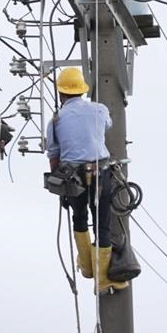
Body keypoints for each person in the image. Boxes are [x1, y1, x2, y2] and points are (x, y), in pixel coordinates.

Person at [46, 67, 128, 293]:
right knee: (102, 223)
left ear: (61, 93)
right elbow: (108, 125)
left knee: (79, 218)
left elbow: (53, 155)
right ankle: (102, 280)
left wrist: (60, 189)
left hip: (72, 178)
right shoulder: (99, 110)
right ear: (82, 90)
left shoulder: (55, 120)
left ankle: (87, 266)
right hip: (100, 173)